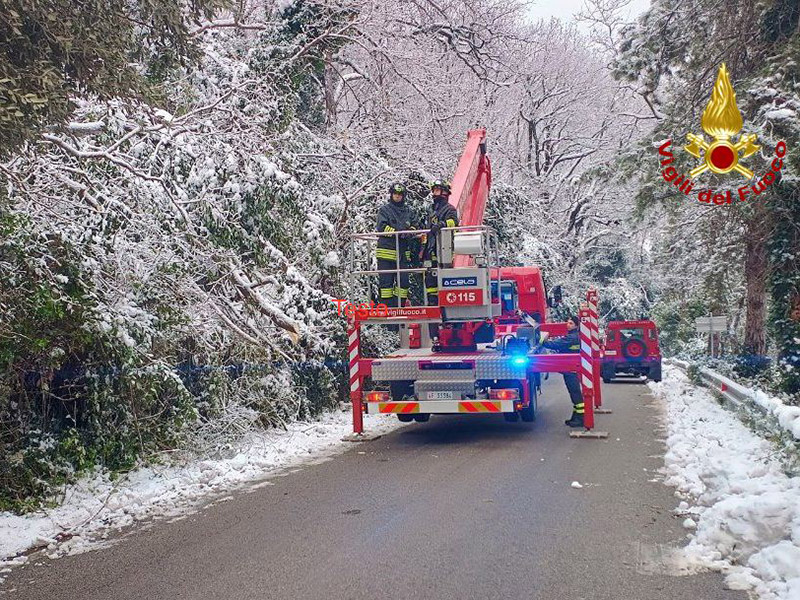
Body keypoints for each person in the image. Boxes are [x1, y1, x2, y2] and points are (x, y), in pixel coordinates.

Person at [539, 315, 585, 427]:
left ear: (576, 326)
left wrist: (541, 341)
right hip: (571, 368)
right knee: (574, 393)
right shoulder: (574, 336)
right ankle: (576, 417)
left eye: (571, 323)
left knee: (575, 393)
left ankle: (580, 419)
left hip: (571, 369)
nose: (567, 325)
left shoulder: (573, 337)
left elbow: (555, 344)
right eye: (568, 322)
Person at [421, 179, 459, 306]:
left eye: (437, 190)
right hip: (430, 249)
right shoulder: (432, 210)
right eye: (434, 190)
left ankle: (444, 306)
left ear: (444, 192)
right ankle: (432, 304)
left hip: (444, 250)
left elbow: (454, 222)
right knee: (430, 280)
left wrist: (442, 224)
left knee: (443, 279)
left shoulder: (450, 209)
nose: (434, 193)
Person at [376, 182, 414, 307]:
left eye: (399, 194)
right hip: (386, 252)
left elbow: (415, 225)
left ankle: (400, 307)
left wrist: (409, 233)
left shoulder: (408, 211)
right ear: (391, 195)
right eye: (395, 194)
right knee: (386, 284)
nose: (397, 196)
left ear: (403, 196)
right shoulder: (384, 210)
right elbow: (381, 227)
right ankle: (388, 311)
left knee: (403, 283)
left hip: (402, 253)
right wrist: (397, 233)